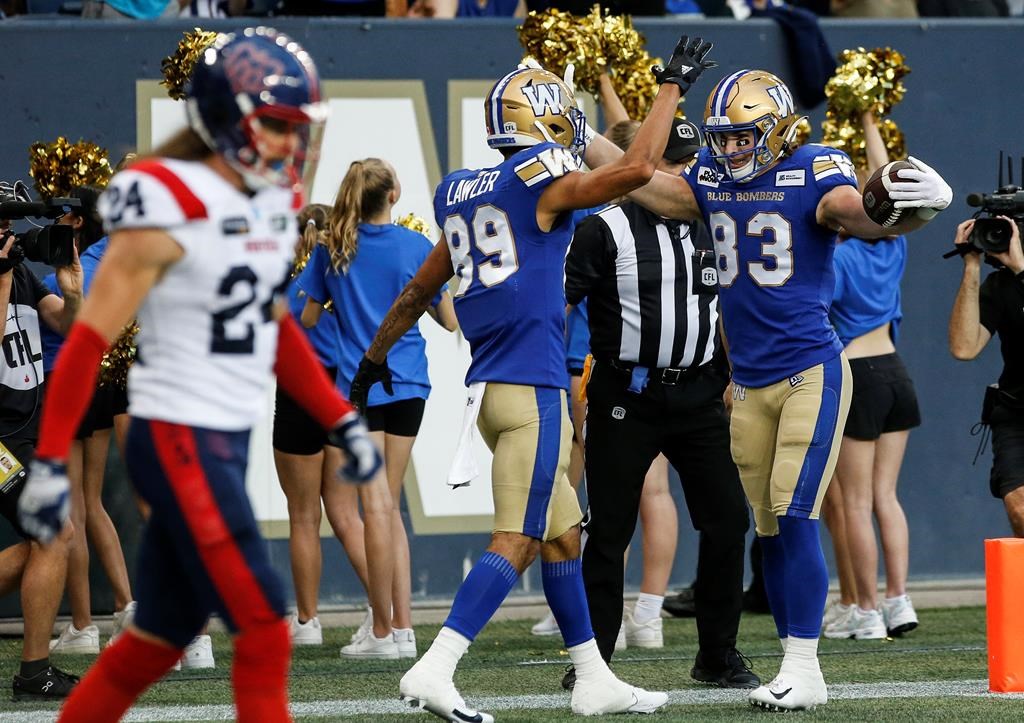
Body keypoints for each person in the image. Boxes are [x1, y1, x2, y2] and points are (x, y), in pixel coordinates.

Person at [16, 27, 382, 723]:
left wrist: (337, 416)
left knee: (158, 637)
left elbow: (269, 323)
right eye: (276, 123)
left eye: (298, 126)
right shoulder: (164, 201)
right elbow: (89, 340)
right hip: (175, 434)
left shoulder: (269, 202)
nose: (291, 142)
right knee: (265, 625)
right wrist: (50, 464)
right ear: (226, 120)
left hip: (221, 437)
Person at [349, 35, 719, 721]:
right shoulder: (541, 187)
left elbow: (415, 295)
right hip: (532, 390)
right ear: (547, 118)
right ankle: (436, 665)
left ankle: (592, 676)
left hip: (489, 392)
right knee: (517, 537)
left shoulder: (461, 191)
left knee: (562, 533)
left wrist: (369, 364)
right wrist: (671, 85)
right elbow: (639, 168)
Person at [582, 68, 952, 710]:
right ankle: (792, 663)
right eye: (723, 137)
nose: (730, 149)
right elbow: (645, 183)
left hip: (810, 368)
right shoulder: (712, 178)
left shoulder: (814, 170)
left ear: (779, 130)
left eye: (743, 136)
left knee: (796, 511)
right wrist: (577, 131)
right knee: (770, 528)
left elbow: (864, 219)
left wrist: (915, 208)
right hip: (749, 384)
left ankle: (806, 669)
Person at [565, 115, 756, 688]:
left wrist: (733, 375)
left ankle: (717, 654)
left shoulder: (714, 222)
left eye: (687, 164)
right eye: (669, 163)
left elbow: (728, 304)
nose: (681, 176)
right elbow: (560, 303)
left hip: (699, 390)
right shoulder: (604, 226)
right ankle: (594, 661)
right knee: (610, 528)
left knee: (727, 520)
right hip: (627, 388)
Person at [299, 159, 458, 659]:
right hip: (409, 384)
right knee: (389, 507)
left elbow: (305, 316)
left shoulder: (333, 251)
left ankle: (385, 633)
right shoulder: (417, 247)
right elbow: (450, 321)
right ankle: (402, 629)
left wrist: (342, 300)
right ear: (394, 193)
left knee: (377, 508)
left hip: (359, 388)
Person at [822, 111, 921, 641]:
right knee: (887, 497)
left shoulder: (836, 258)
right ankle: (898, 600)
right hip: (896, 374)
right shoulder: (894, 244)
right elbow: (890, 189)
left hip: (857, 375)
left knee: (854, 502)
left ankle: (864, 610)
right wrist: (869, 122)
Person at [37, 186, 137, 657]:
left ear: (77, 221)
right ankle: (125, 605)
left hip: (67, 380)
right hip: (100, 384)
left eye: (61, 213)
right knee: (91, 503)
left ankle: (82, 624)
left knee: (73, 506)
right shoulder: (119, 254)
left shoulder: (83, 265)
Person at [272, 203, 370, 649]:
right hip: (340, 392)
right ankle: (383, 615)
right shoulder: (346, 281)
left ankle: (308, 622)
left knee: (303, 516)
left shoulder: (285, 286)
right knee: (347, 516)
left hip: (296, 396)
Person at [0, 198, 84, 701]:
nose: (8, 235)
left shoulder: (25, 279)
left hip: (20, 438)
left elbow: (71, 330)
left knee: (45, 545)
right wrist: (3, 280)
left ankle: (36, 671)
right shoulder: (8, 279)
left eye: (8, 224)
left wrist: (71, 294)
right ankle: (34, 672)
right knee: (56, 532)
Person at [949, 217, 1024, 537]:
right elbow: (964, 347)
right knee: (1019, 505)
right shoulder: (1000, 286)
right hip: (1015, 411)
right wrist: (971, 265)